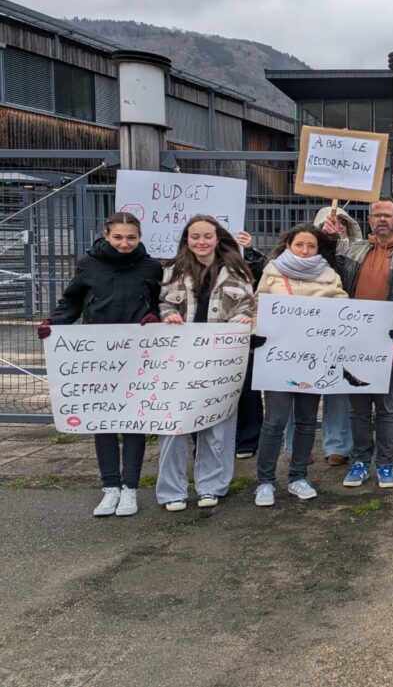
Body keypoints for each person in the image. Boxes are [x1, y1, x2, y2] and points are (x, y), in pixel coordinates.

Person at [38, 212, 161, 517]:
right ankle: (110, 487)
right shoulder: (88, 264)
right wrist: (54, 323)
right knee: (103, 420)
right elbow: (72, 300)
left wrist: (155, 316)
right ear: (106, 235)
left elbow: (161, 301)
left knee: (134, 420)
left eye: (131, 237)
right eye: (118, 237)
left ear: (140, 236)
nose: (124, 243)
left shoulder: (151, 266)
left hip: (137, 352)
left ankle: (130, 488)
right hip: (98, 356)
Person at [325, 196, 393, 489]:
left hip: (390, 345)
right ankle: (359, 462)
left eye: (388, 215)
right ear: (370, 220)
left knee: (386, 408)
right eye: (377, 215)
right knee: (357, 409)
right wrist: (330, 240)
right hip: (354, 344)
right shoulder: (354, 252)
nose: (382, 219)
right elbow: (330, 275)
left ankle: (384, 464)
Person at [157, 215, 256, 511]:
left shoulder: (236, 269)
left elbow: (249, 304)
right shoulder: (171, 270)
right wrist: (166, 315)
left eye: (207, 236)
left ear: (217, 238)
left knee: (217, 426)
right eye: (195, 236)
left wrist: (244, 318)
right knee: (173, 426)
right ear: (187, 239)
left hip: (220, 361)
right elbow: (163, 302)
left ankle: (211, 486)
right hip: (179, 359)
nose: (201, 242)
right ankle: (171, 490)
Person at [252, 224, 348, 507]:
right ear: (288, 245)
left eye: (311, 246)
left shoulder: (330, 277)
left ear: (319, 250)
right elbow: (257, 307)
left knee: (306, 421)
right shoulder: (271, 273)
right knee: (275, 421)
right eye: (299, 245)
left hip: (313, 361)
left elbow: (343, 310)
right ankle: (265, 482)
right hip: (278, 360)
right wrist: (256, 332)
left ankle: (298, 477)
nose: (305, 251)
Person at [231, 229, 267, 460]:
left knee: (246, 386)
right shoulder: (187, 263)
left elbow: (258, 276)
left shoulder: (242, 255)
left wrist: (249, 251)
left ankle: (248, 438)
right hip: (206, 330)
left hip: (242, 327)